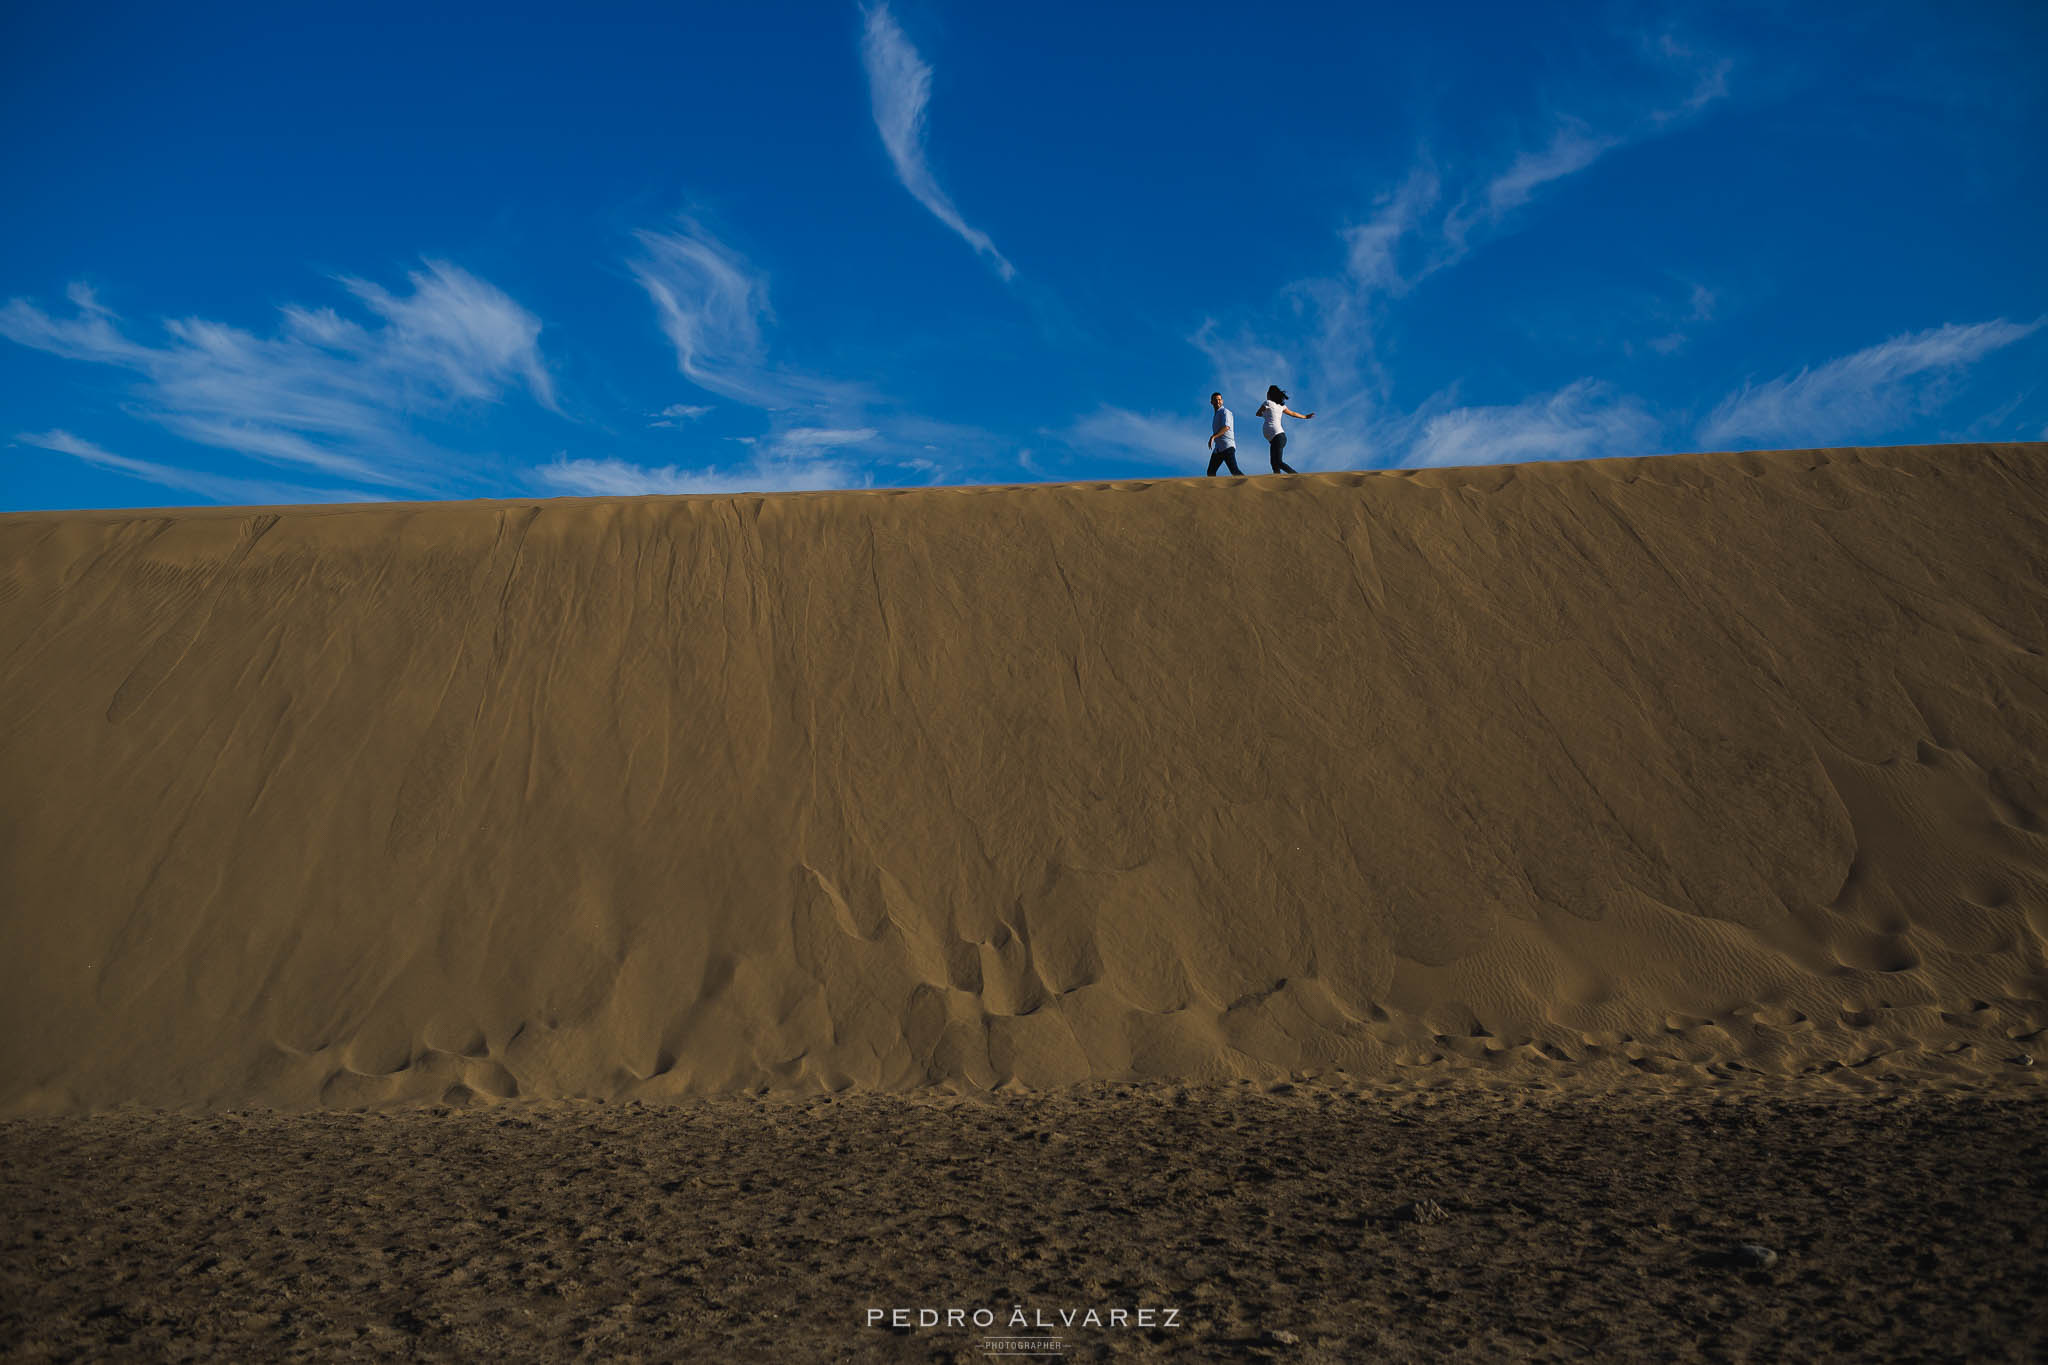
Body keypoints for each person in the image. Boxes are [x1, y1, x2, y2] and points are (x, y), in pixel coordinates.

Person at [1255, 385, 1314, 473]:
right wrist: (1305, 416)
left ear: (1270, 394)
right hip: (1275, 439)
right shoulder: (1280, 406)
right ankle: (1278, 479)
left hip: (1278, 437)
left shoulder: (1268, 403)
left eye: (1267, 393)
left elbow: (1258, 413)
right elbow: (1293, 413)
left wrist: (1305, 417)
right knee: (1274, 463)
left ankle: (1296, 476)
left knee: (1278, 462)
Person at [1206, 392, 1244, 476]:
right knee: (1210, 472)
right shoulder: (1216, 414)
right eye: (1215, 400)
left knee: (1234, 471)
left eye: (1219, 400)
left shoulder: (1225, 411)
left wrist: (1213, 437)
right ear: (1211, 402)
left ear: (1222, 401)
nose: (1218, 401)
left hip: (1227, 446)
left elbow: (1226, 427)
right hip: (1218, 449)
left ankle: (1247, 483)